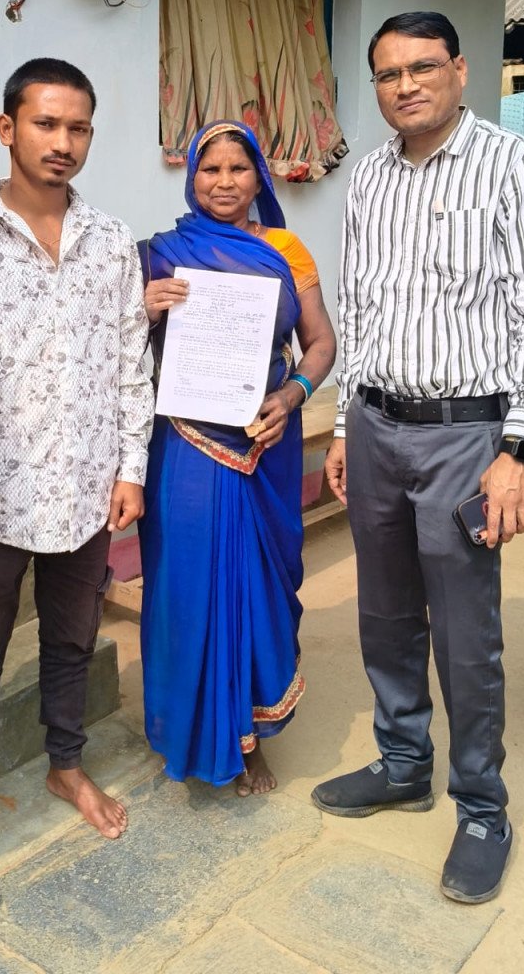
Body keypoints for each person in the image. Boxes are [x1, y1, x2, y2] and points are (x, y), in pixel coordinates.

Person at [317, 11, 524, 905]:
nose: (406, 86)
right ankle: (402, 764)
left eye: (423, 67)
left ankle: (482, 808)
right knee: (385, 613)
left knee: (467, 632)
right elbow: (359, 307)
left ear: (461, 71)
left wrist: (520, 447)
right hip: (377, 427)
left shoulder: (514, 166)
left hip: (468, 436)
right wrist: (344, 425)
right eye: (389, 74)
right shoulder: (369, 177)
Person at [0, 58, 154, 871]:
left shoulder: (112, 242)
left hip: (87, 489)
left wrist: (130, 468)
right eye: (46, 124)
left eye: (78, 128)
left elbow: (131, 362)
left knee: (72, 639)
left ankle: (66, 764)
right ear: (7, 128)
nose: (63, 142)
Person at [139, 120, 336, 795]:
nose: (223, 183)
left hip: (264, 444)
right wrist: (146, 310)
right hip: (186, 448)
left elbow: (320, 343)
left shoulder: (285, 249)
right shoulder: (162, 254)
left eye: (238, 169)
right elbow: (112, 347)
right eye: (210, 169)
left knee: (257, 587)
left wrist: (294, 393)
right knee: (187, 586)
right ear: (191, 177)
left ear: (260, 178)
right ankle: (193, 732)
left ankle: (250, 738)